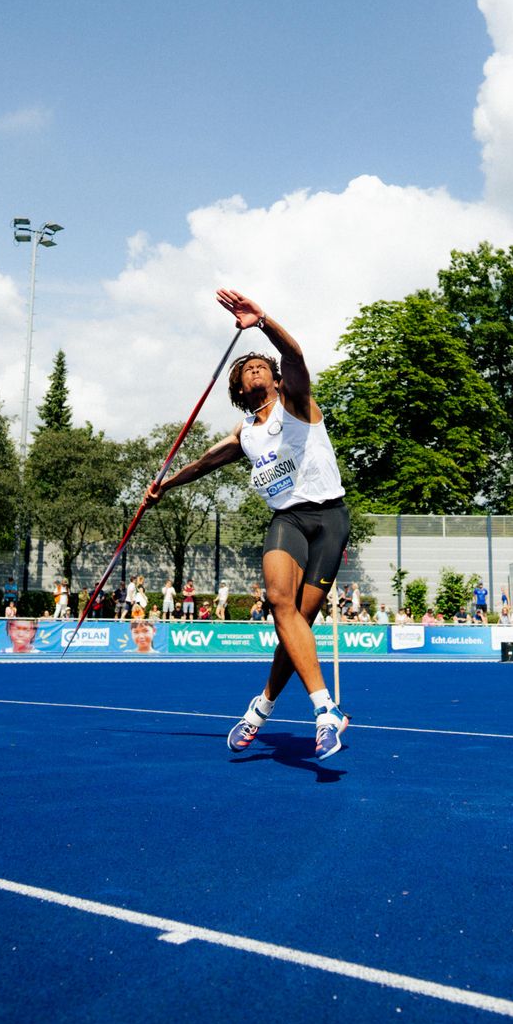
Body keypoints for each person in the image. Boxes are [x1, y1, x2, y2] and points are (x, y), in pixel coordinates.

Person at [144, 289, 352, 759]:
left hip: (330, 518)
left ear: (277, 381)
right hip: (289, 520)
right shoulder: (246, 432)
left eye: (262, 366)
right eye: (246, 370)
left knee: (296, 625)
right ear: (239, 389)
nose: (255, 369)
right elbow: (202, 462)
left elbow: (294, 353)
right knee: (280, 602)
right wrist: (165, 486)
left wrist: (262, 323)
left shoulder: (296, 402)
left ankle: (261, 707)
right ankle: (325, 711)